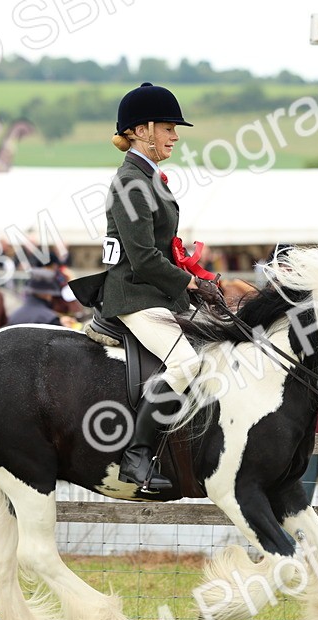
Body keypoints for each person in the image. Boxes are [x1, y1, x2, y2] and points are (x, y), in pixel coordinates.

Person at [67, 82, 220, 493]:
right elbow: (142, 258)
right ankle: (136, 459)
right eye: (169, 127)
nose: (175, 136)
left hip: (156, 292)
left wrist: (201, 281)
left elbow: (161, 249)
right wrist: (190, 282)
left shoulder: (149, 178)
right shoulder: (131, 182)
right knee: (187, 364)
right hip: (134, 296)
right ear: (142, 129)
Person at [7, 268, 72, 326]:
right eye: (50, 294)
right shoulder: (50, 319)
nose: (51, 297)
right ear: (46, 294)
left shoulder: (13, 316)